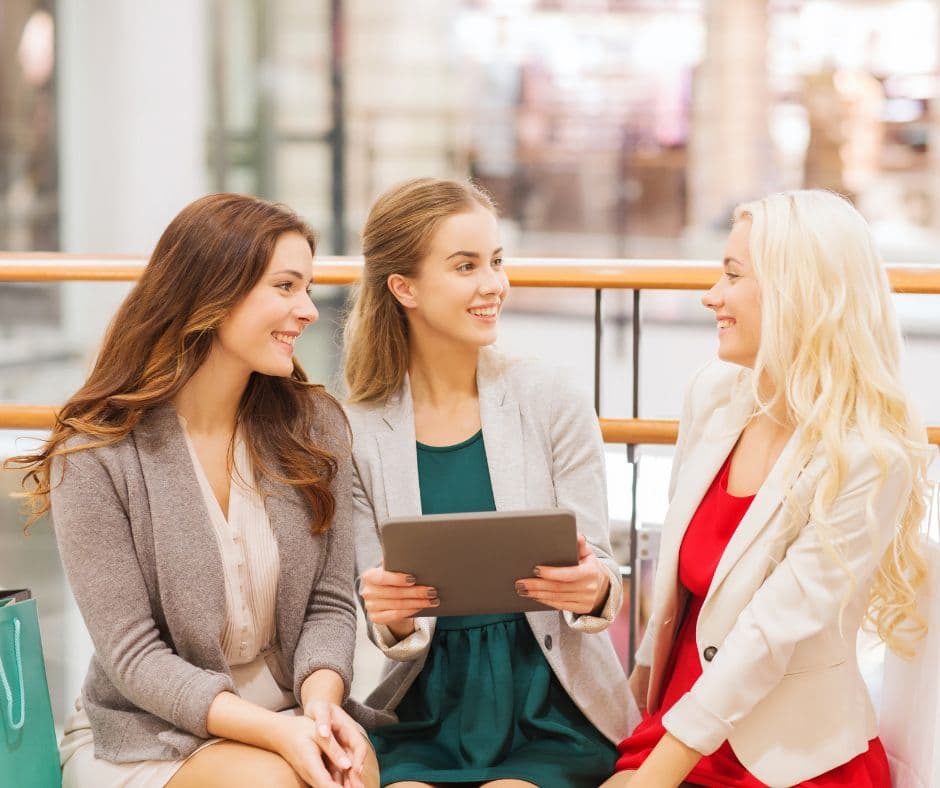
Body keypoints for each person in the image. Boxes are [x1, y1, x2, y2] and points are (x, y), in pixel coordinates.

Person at [6, 194, 378, 788]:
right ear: (214, 291)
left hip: (290, 707)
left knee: (349, 767)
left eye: (307, 287)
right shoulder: (96, 451)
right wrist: (279, 734)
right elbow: (134, 658)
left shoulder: (314, 425)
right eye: (285, 286)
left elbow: (331, 605)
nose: (308, 309)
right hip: (147, 730)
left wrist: (321, 708)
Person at [603, 189, 930, 788]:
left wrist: (656, 775)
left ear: (797, 291)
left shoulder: (870, 453)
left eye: (731, 275)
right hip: (675, 726)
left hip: (790, 760)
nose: (711, 296)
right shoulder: (714, 392)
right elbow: (678, 608)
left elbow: (771, 632)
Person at [343, 177, 637, 788]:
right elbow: (382, 620)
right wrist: (390, 614)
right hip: (423, 707)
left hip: (552, 702)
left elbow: (604, 575)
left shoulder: (551, 396)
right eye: (465, 266)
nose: (493, 285)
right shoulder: (356, 431)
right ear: (405, 288)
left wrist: (591, 588)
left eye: (497, 262)